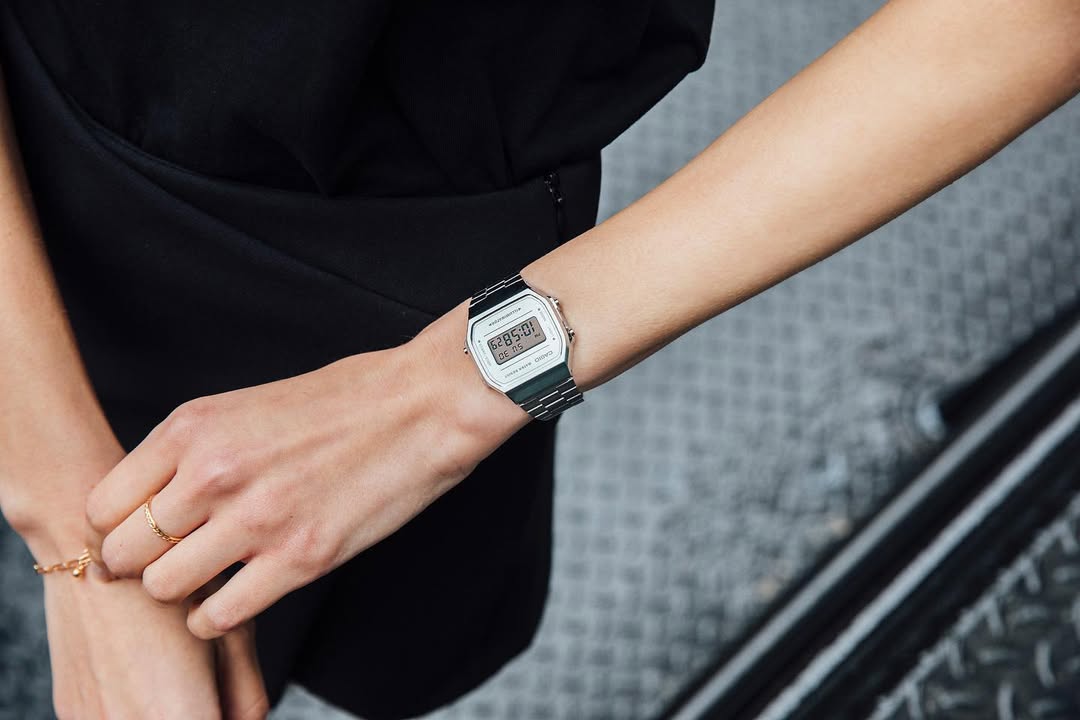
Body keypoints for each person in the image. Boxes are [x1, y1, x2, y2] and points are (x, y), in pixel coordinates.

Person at [0, 1, 1077, 718]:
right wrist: (68, 518)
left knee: (388, 635)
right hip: (67, 117)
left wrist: (448, 391)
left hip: (442, 211)